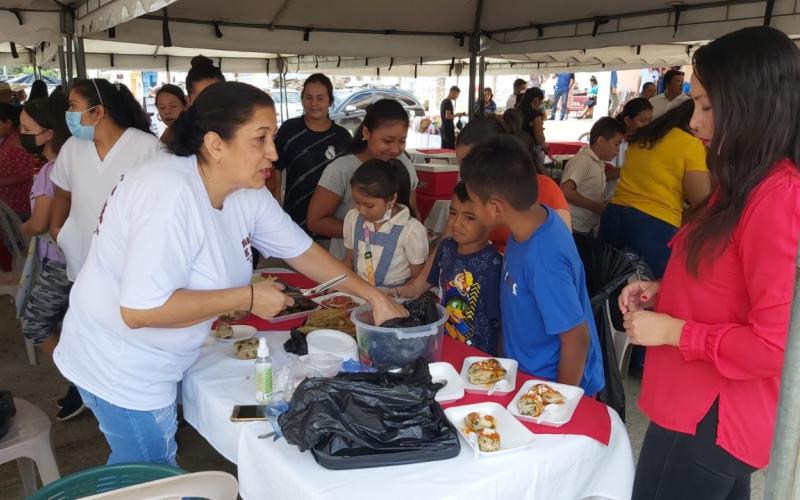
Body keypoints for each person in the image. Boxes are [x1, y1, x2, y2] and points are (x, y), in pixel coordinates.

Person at [52, 81, 407, 466]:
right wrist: (247, 297)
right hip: (120, 361)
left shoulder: (245, 189)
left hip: (160, 356)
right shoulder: (167, 193)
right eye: (260, 138)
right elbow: (140, 312)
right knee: (150, 475)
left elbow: (304, 252)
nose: (273, 151)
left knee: (149, 473)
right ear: (215, 144)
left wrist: (374, 297)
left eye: (273, 136)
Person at [622, 26, 800, 500]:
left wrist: (674, 330)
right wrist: (664, 290)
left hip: (710, 417)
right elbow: (725, 279)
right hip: (693, 405)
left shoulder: (776, 196)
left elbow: (774, 343)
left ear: (751, 105)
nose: (694, 122)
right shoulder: (739, 181)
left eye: (706, 106)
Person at [461, 135, 604, 396]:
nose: (472, 208)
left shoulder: (544, 259)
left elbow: (576, 339)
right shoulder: (526, 225)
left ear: (495, 208)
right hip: (521, 375)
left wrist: (557, 403)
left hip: (548, 387)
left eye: (472, 201)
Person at [49, 78, 162, 283]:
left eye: (73, 106)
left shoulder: (148, 147)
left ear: (98, 112)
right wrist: (57, 231)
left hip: (131, 261)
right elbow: (62, 195)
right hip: (82, 259)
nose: (68, 113)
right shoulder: (72, 147)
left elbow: (161, 206)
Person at [17, 93, 78, 420]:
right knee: (71, 323)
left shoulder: (50, 173)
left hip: (58, 262)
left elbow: (40, 223)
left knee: (35, 322)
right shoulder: (70, 164)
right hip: (72, 259)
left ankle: (79, 381)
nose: (23, 134)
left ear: (49, 132)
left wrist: (23, 229)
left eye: (28, 128)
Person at [599, 99, 711, 278]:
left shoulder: (645, 137)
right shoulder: (690, 145)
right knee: (645, 294)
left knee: (606, 287)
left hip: (613, 216)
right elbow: (702, 200)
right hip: (654, 225)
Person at [395, 181, 502, 354]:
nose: (457, 223)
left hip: (477, 356)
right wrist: (389, 294)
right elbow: (416, 289)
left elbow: (500, 323)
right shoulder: (446, 248)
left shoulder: (493, 265)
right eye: (453, 213)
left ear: (491, 220)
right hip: (444, 344)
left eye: (469, 217)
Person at [308, 98, 419, 260]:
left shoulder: (405, 164)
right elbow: (316, 221)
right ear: (366, 133)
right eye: (387, 141)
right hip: (348, 266)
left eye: (402, 141)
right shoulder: (341, 169)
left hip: (395, 273)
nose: (395, 149)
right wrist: (369, 230)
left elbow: (412, 210)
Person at [454, 115, 572, 254]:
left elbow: (561, 250)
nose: (464, 173)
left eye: (468, 163)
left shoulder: (546, 190)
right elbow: (451, 234)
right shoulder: (470, 188)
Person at [271, 73, 351, 234]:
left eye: (320, 98)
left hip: (332, 223)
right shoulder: (289, 130)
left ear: (330, 101)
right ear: (302, 99)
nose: (314, 103)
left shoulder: (342, 137)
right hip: (295, 222)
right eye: (309, 97)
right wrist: (275, 206)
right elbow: (275, 169)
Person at [342, 159, 428, 288]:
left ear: (392, 199)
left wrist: (394, 296)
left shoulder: (411, 230)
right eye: (357, 202)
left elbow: (417, 277)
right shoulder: (353, 218)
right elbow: (349, 259)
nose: (362, 210)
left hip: (395, 299)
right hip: (360, 295)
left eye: (369, 205)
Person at [560, 117, 625, 235]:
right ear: (601, 141)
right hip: (573, 226)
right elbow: (566, 191)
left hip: (585, 226)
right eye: (616, 144)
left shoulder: (598, 163)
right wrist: (596, 207)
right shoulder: (583, 160)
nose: (618, 150)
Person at [606, 98, 654, 199]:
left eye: (650, 121)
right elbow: (604, 174)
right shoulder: (613, 141)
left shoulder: (645, 142)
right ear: (627, 120)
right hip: (613, 198)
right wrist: (632, 168)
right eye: (642, 121)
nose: (647, 126)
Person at [0, 103, 40, 219]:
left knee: (14, 235)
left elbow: (26, 175)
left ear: (8, 123)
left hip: (17, 205)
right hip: (9, 203)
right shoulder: (9, 140)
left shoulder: (17, 142)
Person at [518, 88, 547, 158]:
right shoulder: (536, 115)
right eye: (541, 102)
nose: (540, 105)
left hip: (516, 149)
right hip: (530, 152)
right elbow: (540, 140)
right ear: (536, 100)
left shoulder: (517, 111)